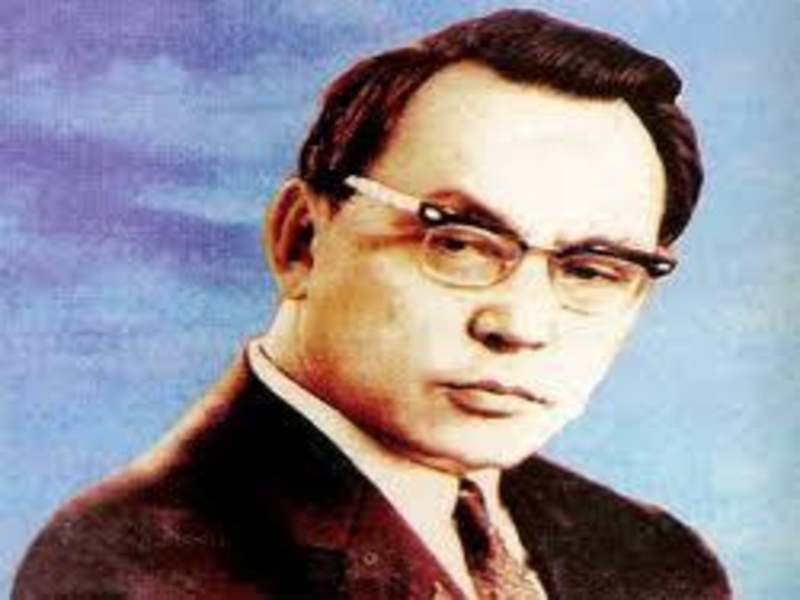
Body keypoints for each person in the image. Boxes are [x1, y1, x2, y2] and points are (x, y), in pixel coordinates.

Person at [13, 8, 731, 599]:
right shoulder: (132, 570)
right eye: (459, 243)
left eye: (593, 270)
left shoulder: (656, 559)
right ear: (301, 239)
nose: (520, 324)